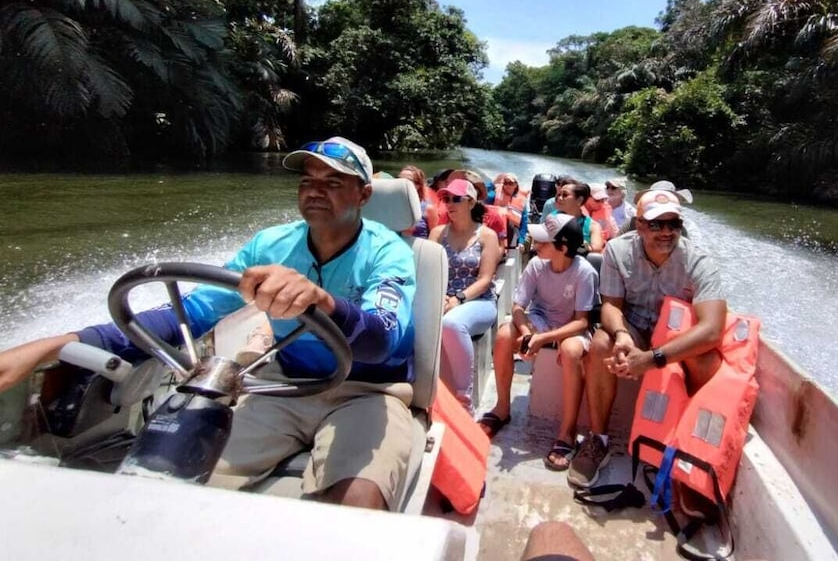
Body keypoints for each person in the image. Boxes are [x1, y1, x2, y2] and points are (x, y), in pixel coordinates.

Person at [0, 136, 417, 511]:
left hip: (368, 393)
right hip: (283, 386)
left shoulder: (389, 253)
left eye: (332, 182)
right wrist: (59, 344)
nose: (314, 191)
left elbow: (380, 341)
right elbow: (188, 314)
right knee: (171, 483)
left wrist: (323, 301)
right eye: (307, 181)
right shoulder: (270, 245)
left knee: (357, 505)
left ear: (363, 194)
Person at [567, 189, 726, 489]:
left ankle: (693, 453)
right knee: (601, 343)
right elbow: (611, 306)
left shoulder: (699, 262)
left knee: (708, 362)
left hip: (676, 339)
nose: (666, 232)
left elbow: (712, 329)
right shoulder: (617, 251)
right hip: (635, 329)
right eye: (656, 224)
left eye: (673, 224)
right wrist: (622, 335)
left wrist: (654, 359)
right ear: (639, 225)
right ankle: (598, 440)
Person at [477, 214, 598, 471]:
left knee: (571, 350)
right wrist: (526, 332)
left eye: (543, 241)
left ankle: (567, 432)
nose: (536, 244)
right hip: (539, 320)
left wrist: (543, 338)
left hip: (569, 326)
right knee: (504, 335)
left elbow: (581, 322)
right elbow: (518, 306)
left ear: (562, 248)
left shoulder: (584, 272)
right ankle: (502, 408)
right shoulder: (535, 265)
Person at [429, 178, 501, 414]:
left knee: (451, 323)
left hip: (479, 301)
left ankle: (464, 401)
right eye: (446, 199)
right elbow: (429, 271)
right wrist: (440, 295)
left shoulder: (487, 236)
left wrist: (458, 299)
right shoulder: (437, 234)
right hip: (442, 299)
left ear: (471, 202)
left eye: (456, 199)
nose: (449, 204)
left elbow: (485, 279)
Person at [554, 180, 605, 254]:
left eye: (565, 195)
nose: (559, 198)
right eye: (559, 194)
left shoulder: (593, 226)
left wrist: (580, 245)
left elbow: (597, 248)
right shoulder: (552, 218)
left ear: (579, 200)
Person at [398, 164, 439, 238]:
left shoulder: (428, 209)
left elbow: (435, 237)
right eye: (399, 179)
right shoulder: (392, 206)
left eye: (407, 180)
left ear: (417, 185)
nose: (402, 183)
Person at [493, 172, 527, 248]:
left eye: (510, 183)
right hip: (496, 232)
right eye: (505, 183)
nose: (507, 185)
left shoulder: (522, 200)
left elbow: (524, 222)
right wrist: (494, 182)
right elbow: (482, 196)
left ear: (515, 185)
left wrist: (521, 241)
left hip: (512, 234)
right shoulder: (494, 195)